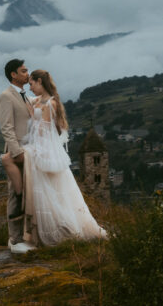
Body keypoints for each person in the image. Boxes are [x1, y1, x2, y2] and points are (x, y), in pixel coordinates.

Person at [18, 69, 107, 247]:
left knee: (52, 191)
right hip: (40, 146)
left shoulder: (51, 104)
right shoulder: (39, 101)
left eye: (32, 84)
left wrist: (31, 147)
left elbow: (42, 130)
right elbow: (31, 112)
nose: (31, 88)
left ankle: (61, 229)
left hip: (45, 149)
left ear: (40, 82)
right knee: (50, 190)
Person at [0, 59, 34, 253]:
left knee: (27, 193)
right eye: (24, 71)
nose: (27, 74)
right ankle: (14, 239)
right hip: (16, 153)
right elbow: (6, 127)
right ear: (13, 74)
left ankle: (23, 236)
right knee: (15, 193)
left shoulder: (25, 96)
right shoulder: (6, 96)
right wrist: (16, 152)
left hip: (29, 152)